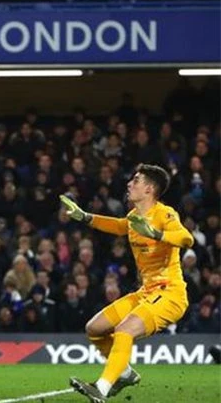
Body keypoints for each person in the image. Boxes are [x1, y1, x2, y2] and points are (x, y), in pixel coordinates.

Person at [60, 164, 194, 403]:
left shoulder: (165, 214)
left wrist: (157, 234)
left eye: (136, 180)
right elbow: (120, 226)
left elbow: (186, 238)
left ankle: (101, 388)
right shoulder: (133, 216)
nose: (129, 184)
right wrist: (86, 217)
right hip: (146, 292)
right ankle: (125, 373)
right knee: (94, 328)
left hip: (170, 294)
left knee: (124, 330)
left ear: (149, 189)